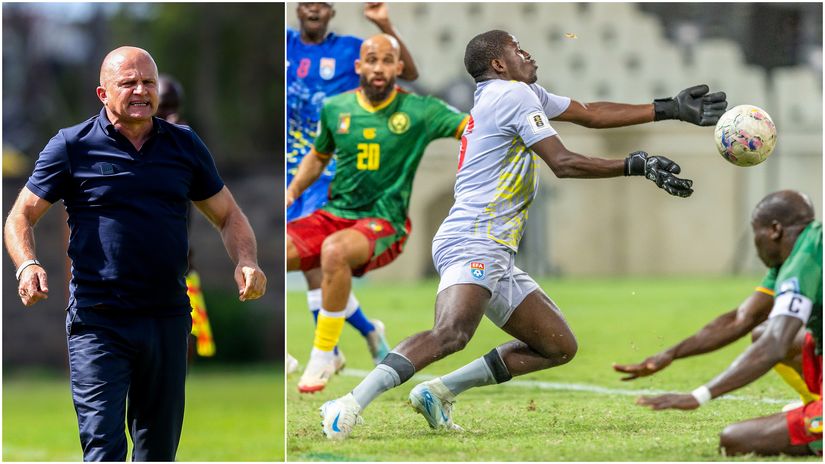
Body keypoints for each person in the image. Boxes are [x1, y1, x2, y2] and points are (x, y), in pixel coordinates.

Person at [317, 29, 728, 440]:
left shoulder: (515, 95)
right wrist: (635, 165)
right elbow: (563, 163)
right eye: (517, 48)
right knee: (452, 332)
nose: (528, 53)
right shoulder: (512, 96)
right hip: (474, 238)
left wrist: (669, 108)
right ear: (498, 63)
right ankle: (348, 404)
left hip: (495, 247)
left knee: (557, 346)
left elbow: (589, 112)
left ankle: (439, 392)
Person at [4, 46, 267, 461]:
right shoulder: (72, 145)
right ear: (103, 93)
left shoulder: (183, 145)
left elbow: (228, 214)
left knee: (157, 451)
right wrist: (27, 264)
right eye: (128, 82)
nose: (141, 90)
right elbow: (20, 216)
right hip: (98, 319)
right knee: (102, 447)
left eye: (148, 81)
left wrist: (247, 260)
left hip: (167, 318)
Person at [286, 33, 469, 393]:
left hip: (385, 221)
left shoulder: (420, 111)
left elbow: (471, 130)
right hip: (336, 212)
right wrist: (292, 190)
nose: (379, 68)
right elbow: (319, 155)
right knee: (275, 252)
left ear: (399, 68)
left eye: (387, 61)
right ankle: (354, 335)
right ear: (358, 66)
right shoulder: (336, 108)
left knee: (334, 251)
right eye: (371, 60)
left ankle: (324, 353)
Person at [636, 190, 821, 457]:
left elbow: (775, 346)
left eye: (755, 233)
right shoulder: (804, 250)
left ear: (774, 230)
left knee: (734, 439)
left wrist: (699, 395)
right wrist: (671, 353)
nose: (755, 246)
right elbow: (742, 318)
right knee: (762, 331)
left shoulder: (801, 264)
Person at [287, 2, 419, 369]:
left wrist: (384, 24)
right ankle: (365, 329)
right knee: (295, 256)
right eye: (307, 3)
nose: (314, 9)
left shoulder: (349, 51)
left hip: (329, 170)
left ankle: (325, 351)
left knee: (312, 256)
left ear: (331, 11)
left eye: (322, 4)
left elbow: (410, 71)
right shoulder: (284, 45)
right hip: (286, 170)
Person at [156, 74, 217, 360]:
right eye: (165, 107)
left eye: (175, 106)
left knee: (189, 336)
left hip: (182, 263)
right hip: (140, 269)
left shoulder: (184, 147)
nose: (173, 115)